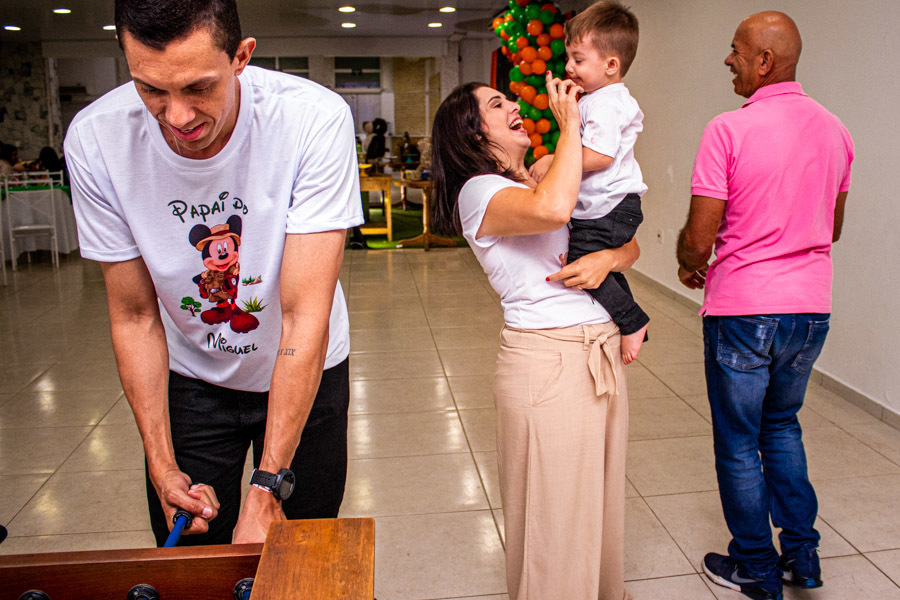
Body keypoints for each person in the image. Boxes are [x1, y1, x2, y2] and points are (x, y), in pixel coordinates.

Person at [64, 0, 363, 546]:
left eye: (199, 87)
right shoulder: (96, 139)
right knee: (192, 550)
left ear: (241, 57)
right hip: (192, 380)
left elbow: (304, 315)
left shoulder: (312, 118)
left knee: (302, 547)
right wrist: (159, 461)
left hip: (306, 367)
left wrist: (269, 484)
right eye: (151, 88)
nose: (177, 117)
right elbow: (134, 317)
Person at [432, 73, 638, 600]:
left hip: (600, 349)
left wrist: (609, 260)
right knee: (556, 520)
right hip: (548, 363)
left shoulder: (543, 177)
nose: (516, 106)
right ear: (475, 134)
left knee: (599, 506)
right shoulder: (480, 191)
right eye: (498, 105)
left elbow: (627, 241)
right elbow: (554, 212)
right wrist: (572, 125)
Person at [676, 11, 853, 600]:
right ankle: (802, 557)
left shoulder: (727, 129)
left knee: (738, 439)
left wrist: (690, 259)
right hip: (810, 312)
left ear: (764, 62)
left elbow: (700, 238)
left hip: (744, 311)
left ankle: (754, 563)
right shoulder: (836, 130)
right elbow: (830, 228)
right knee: (782, 427)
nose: (727, 60)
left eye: (734, 51)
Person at [529, 0, 649, 365]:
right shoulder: (597, 99)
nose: (569, 67)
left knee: (581, 263)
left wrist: (553, 161)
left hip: (612, 206)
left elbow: (600, 155)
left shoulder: (607, 103)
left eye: (578, 60)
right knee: (594, 263)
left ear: (611, 65)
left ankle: (633, 321)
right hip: (606, 205)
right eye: (569, 58)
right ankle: (629, 320)